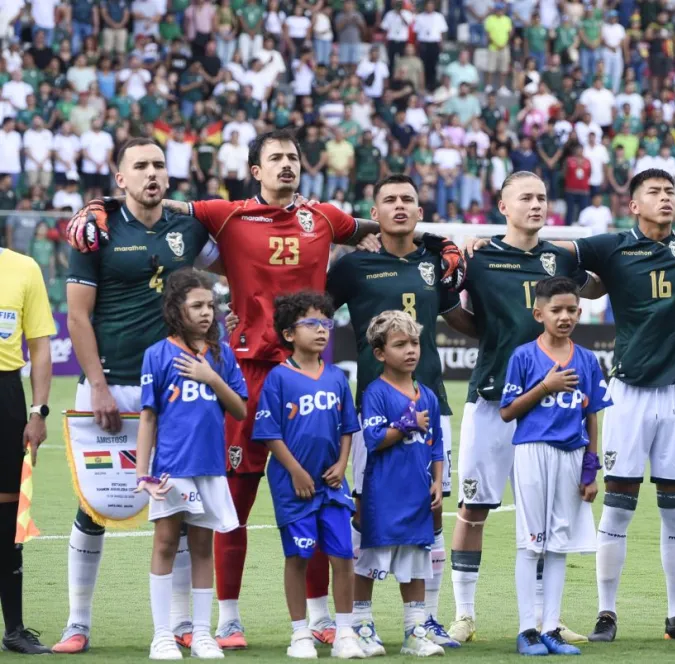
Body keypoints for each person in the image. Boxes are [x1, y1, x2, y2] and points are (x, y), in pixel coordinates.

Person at [63, 130, 464, 648]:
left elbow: (378, 222)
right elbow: (158, 194)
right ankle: (228, 616)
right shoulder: (224, 214)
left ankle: (320, 614)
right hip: (247, 371)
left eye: (292, 158)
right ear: (255, 170)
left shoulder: (324, 217)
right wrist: (102, 205)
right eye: (274, 158)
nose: (285, 166)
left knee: (320, 491)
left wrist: (433, 240)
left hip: (309, 372)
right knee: (233, 494)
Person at [551, 168, 675, 643]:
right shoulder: (611, 246)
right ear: (633, 205)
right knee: (618, 505)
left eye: (671, 191)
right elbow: (561, 257)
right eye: (654, 192)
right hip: (629, 392)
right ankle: (606, 613)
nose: (665, 197)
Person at [57, 138, 216, 654]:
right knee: (95, 506)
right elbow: (78, 315)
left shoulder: (189, 230)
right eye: (140, 166)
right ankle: (77, 623)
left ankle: (182, 624)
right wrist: (98, 385)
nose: (152, 173)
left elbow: (230, 267)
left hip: (176, 390)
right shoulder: (96, 231)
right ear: (119, 178)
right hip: (111, 384)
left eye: (159, 165)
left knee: (182, 508)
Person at [447, 171, 602, 645]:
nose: (536, 205)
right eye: (525, 198)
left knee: (546, 514)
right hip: (494, 399)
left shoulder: (558, 256)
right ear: (502, 205)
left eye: (542, 197)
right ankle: (465, 614)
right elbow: (451, 308)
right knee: (474, 507)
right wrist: (491, 335)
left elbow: (593, 289)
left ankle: (543, 618)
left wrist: (588, 261)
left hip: (551, 410)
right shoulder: (480, 255)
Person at [326, 174, 474, 650]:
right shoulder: (354, 267)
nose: (399, 206)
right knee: (365, 512)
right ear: (376, 209)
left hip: (432, 401)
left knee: (431, 511)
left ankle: (424, 620)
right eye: (388, 199)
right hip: (376, 407)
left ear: (419, 208)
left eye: (407, 199)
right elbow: (313, 313)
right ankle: (361, 621)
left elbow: (458, 318)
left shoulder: (435, 261)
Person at [135, 268, 247, 660]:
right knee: (166, 544)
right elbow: (148, 417)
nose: (205, 312)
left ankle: (202, 633)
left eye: (210, 305)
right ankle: (162, 634)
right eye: (196, 305)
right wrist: (142, 473)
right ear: (175, 309)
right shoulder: (157, 354)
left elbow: (239, 408)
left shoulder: (221, 354)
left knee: (203, 547)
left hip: (210, 467)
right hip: (170, 468)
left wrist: (211, 377)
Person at [499, 277, 610, 656]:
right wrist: (545, 387)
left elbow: (593, 415)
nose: (565, 317)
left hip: (571, 455)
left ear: (580, 312)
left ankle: (551, 628)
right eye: (556, 310)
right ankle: (526, 629)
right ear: (539, 313)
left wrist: (590, 469)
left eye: (571, 310)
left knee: (559, 545)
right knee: (532, 543)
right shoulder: (523, 357)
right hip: (532, 451)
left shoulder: (587, 360)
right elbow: (507, 411)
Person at [252, 292, 365, 660]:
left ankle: (346, 632)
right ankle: (300, 633)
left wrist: (342, 462)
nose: (321, 331)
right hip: (294, 487)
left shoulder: (335, 376)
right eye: (312, 323)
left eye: (326, 324)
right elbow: (269, 434)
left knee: (342, 554)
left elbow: (348, 426)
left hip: (332, 485)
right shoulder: (278, 379)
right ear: (288, 333)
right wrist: (298, 472)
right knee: (298, 557)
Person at [354, 310, 445, 657]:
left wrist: (437, 482)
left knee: (415, 563)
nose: (410, 350)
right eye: (400, 344)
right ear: (380, 353)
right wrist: (407, 423)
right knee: (369, 561)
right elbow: (374, 438)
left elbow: (435, 444)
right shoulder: (375, 392)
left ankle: (414, 631)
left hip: (416, 494)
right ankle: (362, 625)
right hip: (383, 494)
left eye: (414, 343)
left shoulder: (430, 396)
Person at [0, 246, 55, 655]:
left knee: (6, 517)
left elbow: (39, 348)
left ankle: (15, 629)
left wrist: (37, 412)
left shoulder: (23, 267)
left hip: (6, 398)